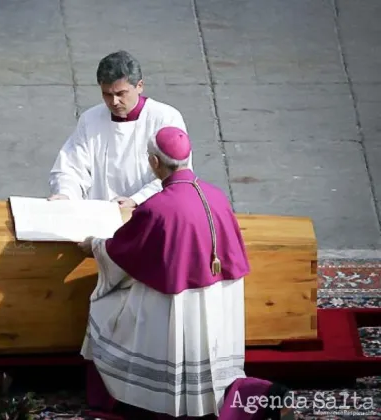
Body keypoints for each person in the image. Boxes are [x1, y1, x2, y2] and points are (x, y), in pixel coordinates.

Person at [77, 127, 293, 419]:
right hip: (218, 300)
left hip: (176, 304)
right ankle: (261, 397)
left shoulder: (156, 209)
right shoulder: (216, 195)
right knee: (210, 370)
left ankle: (143, 401)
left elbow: (123, 252)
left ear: (155, 162)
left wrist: (94, 246)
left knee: (104, 312)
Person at [48, 50, 192, 208]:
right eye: (107, 94)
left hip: (148, 214)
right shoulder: (90, 119)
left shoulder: (165, 118)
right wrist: (66, 194)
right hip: (99, 218)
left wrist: (136, 200)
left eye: (121, 93)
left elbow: (176, 174)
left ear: (139, 86)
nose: (114, 102)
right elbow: (70, 167)